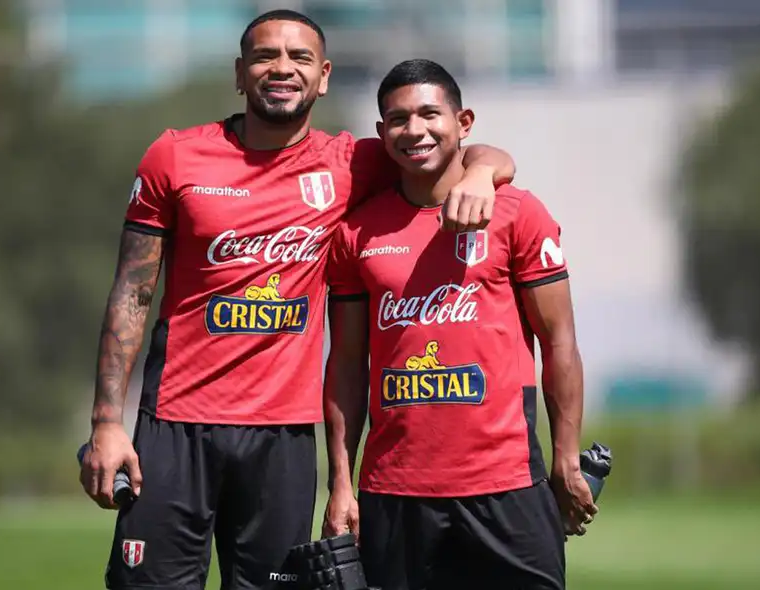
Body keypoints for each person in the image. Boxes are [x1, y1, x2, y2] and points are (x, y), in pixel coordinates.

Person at [78, 10, 518, 590]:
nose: (281, 68)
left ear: (324, 76)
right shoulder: (175, 157)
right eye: (265, 56)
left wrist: (482, 174)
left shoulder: (354, 164)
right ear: (240, 73)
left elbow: (459, 148)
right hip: (175, 426)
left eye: (299, 58)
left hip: (283, 437)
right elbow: (132, 291)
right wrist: (108, 423)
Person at [322, 59, 597, 590]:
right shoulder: (355, 233)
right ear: (382, 134)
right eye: (399, 119)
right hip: (395, 494)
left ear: (463, 122)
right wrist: (340, 482)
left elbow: (560, 341)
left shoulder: (517, 213)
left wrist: (565, 457)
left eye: (430, 114)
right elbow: (348, 365)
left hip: (508, 487)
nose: (415, 130)